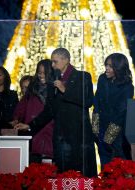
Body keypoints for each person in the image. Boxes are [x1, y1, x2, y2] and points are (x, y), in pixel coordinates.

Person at [15, 48, 97, 177]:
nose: (52, 65)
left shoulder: (83, 76)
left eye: (55, 62)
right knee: (63, 176)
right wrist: (31, 125)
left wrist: (65, 90)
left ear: (66, 60)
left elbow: (88, 101)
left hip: (79, 136)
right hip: (60, 137)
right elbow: (49, 110)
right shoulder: (52, 81)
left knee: (83, 175)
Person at [92, 53, 134, 168]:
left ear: (119, 68)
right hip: (100, 130)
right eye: (106, 65)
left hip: (117, 134)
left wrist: (108, 137)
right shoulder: (102, 79)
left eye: (110, 66)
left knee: (118, 167)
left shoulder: (128, 87)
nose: (107, 68)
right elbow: (96, 103)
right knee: (105, 166)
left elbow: (121, 113)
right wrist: (95, 129)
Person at [13, 59, 54, 163]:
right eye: (39, 72)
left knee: (48, 166)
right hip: (33, 132)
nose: (41, 75)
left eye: (45, 73)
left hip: (49, 132)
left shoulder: (55, 89)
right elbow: (21, 107)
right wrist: (16, 119)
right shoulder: (32, 89)